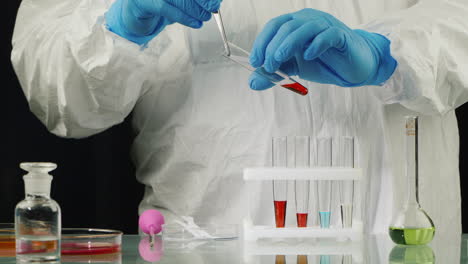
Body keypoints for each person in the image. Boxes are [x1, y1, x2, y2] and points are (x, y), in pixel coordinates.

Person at [11, 0, 468, 247]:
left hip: (395, 240)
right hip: (209, 241)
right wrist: (121, 22)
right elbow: (58, 97)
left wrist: (391, 54)